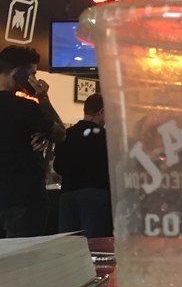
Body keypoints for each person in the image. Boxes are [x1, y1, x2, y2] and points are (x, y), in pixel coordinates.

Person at [0, 45, 66, 237]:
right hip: (23, 197)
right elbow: (61, 134)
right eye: (32, 74)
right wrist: (43, 97)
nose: (35, 80)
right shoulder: (26, 108)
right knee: (24, 254)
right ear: (17, 73)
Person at [54, 94, 113, 238]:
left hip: (67, 195)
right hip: (95, 194)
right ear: (101, 112)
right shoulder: (105, 137)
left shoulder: (66, 134)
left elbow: (57, 166)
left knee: (68, 243)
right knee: (93, 243)